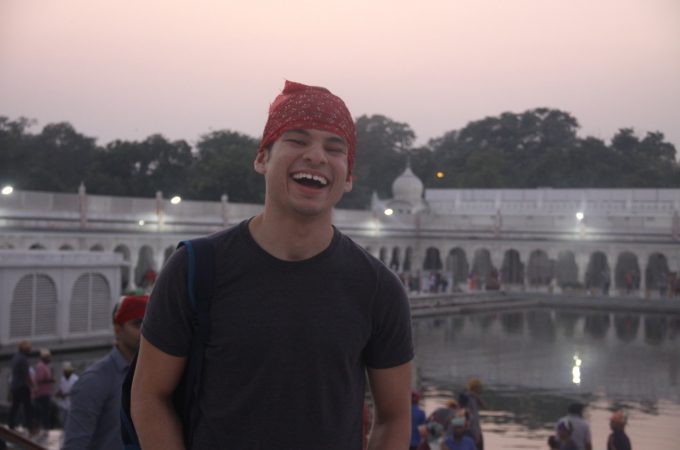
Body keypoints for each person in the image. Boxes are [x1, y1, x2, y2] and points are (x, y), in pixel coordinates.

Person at [131, 80, 414, 449]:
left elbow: (393, 419)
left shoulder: (377, 289)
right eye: (297, 140)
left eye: (334, 148)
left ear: (348, 177)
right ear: (262, 158)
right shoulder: (196, 269)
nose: (316, 156)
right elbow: (150, 396)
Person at [62, 294, 148, 450]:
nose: (144, 331)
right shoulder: (95, 380)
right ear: (118, 330)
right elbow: (75, 444)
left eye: (148, 324)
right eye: (137, 324)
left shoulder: (155, 376)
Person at [8, 340, 34, 434]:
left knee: (15, 406)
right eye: (29, 348)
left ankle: (11, 425)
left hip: (14, 385)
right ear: (26, 349)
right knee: (28, 407)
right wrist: (33, 386)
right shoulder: (23, 359)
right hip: (22, 386)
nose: (30, 350)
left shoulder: (15, 357)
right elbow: (26, 375)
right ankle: (29, 427)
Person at [32, 348, 55, 436]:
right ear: (44, 358)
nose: (50, 359)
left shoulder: (45, 366)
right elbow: (39, 379)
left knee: (45, 411)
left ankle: (44, 428)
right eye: (48, 357)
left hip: (45, 393)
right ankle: (44, 428)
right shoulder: (41, 366)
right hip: (42, 393)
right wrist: (50, 380)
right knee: (44, 411)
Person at [459, 378, 486, 450]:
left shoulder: (475, 397)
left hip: (477, 430)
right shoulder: (465, 396)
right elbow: (461, 410)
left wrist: (476, 396)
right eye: (480, 387)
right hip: (469, 430)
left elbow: (484, 406)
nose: (481, 389)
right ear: (475, 387)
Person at [54, 361, 79, 427]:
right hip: (64, 404)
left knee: (71, 421)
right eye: (64, 371)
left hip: (72, 403)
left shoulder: (75, 379)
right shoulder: (63, 379)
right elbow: (61, 389)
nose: (64, 372)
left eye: (66, 371)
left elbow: (76, 391)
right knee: (63, 420)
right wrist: (58, 393)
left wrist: (66, 394)